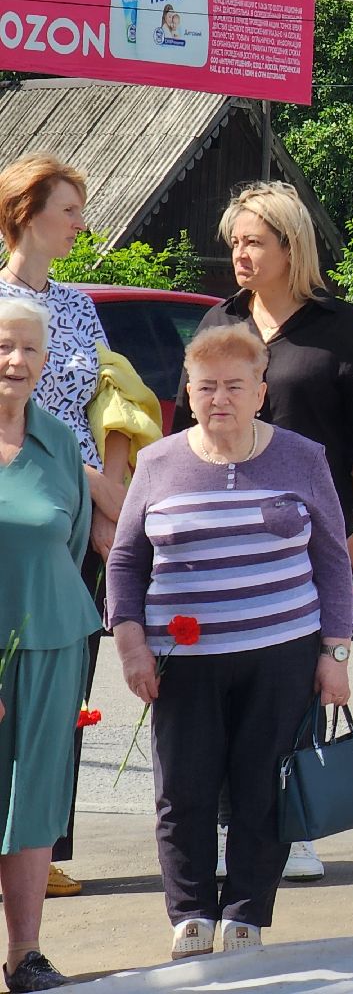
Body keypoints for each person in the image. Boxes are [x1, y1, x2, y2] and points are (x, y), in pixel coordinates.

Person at [108, 325, 353, 958]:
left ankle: (246, 911)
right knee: (182, 789)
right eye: (206, 386)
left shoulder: (302, 456)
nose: (220, 398)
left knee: (263, 786)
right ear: (187, 393)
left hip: (282, 653)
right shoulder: (160, 462)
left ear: (260, 392)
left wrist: (335, 653)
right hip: (181, 661)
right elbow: (127, 561)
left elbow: (331, 560)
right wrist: (132, 644)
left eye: (234, 386)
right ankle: (190, 913)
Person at [172, 181, 353, 882]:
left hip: (310, 538)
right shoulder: (217, 324)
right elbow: (186, 433)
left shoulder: (340, 327)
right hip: (223, 537)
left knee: (295, 680)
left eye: (253, 241)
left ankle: (289, 824)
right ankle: (233, 820)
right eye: (234, 241)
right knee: (222, 676)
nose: (238, 253)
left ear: (290, 247)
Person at [0, 153, 141, 900]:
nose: (82, 222)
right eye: (70, 208)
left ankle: (45, 846)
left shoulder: (80, 305)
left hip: (86, 510)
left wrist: (109, 495)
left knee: (67, 691)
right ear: (26, 214)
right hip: (22, 506)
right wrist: (86, 489)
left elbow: (112, 395)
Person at [0, 296, 101, 991]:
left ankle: (25, 955)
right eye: (4, 345)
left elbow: (71, 542)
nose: (16, 361)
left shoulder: (61, 441)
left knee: (35, 798)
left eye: (30, 349)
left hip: (53, 640)